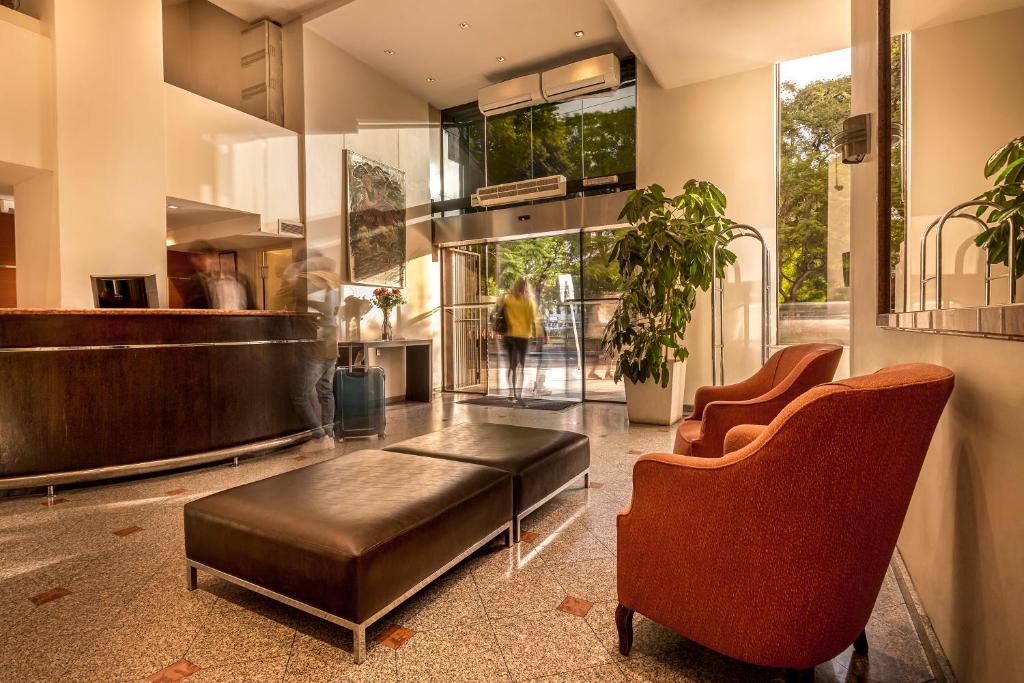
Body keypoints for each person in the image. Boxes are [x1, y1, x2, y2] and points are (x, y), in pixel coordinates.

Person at [182, 242, 254, 310]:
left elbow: (251, 308)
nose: (198, 265)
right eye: (194, 263)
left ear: (213, 256)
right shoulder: (195, 281)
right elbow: (191, 311)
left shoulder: (242, 279)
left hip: (242, 322)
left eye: (200, 259)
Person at [501, 278, 539, 406]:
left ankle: (511, 393)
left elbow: (501, 312)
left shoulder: (508, 299)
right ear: (527, 287)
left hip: (509, 336)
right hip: (522, 337)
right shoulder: (530, 302)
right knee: (521, 367)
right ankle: (519, 395)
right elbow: (533, 320)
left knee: (512, 366)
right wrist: (537, 335)